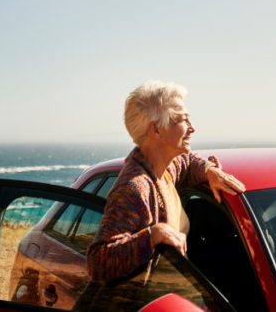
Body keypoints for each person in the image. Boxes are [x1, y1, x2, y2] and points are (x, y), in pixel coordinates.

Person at [87, 81, 246, 282]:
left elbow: (188, 162)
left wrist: (210, 171)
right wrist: (153, 235)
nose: (192, 128)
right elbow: (98, 262)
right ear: (156, 130)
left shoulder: (166, 168)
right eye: (183, 120)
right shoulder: (134, 188)